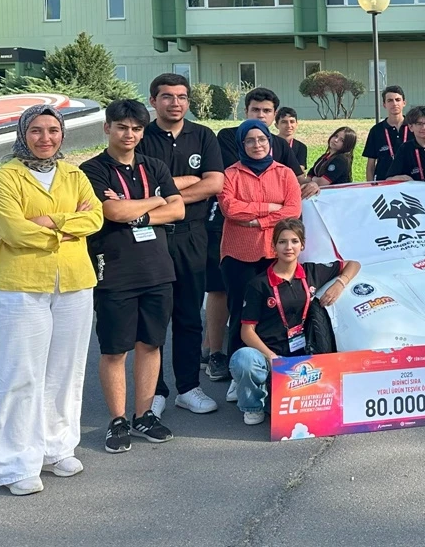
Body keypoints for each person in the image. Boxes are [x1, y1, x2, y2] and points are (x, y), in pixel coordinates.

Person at [0, 105, 103, 495]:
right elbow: (13, 230)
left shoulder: (74, 174)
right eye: (36, 130)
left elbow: (95, 218)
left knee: (66, 371)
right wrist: (68, 225)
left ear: (62, 133)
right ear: (23, 133)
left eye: (53, 130)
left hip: (74, 281)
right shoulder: (6, 176)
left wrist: (49, 221)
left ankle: (56, 447)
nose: (45, 138)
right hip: (21, 284)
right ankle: (15, 464)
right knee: (19, 374)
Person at [82, 99, 186, 453]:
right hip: (115, 271)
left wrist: (139, 212)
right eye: (122, 127)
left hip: (157, 269)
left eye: (137, 129)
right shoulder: (92, 170)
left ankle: (144, 415)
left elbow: (178, 208)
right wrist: (155, 201)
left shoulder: (154, 166)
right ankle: (117, 420)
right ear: (107, 128)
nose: (129, 134)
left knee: (151, 344)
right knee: (115, 350)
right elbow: (112, 210)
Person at [205, 87, 302, 386]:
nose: (257, 145)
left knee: (272, 312)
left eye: (262, 139)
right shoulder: (230, 174)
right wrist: (269, 209)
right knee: (240, 314)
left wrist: (257, 220)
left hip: (274, 254)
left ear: (270, 142)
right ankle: (240, 374)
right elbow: (230, 208)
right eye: (250, 140)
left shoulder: (285, 173)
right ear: (241, 143)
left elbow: (293, 210)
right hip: (239, 254)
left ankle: (272, 371)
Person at [139, 73, 223, 416]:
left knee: (189, 316)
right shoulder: (141, 137)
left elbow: (214, 183)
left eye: (182, 97)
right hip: (152, 236)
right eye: (167, 96)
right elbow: (138, 187)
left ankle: (188, 388)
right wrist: (188, 183)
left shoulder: (203, 135)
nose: (175, 103)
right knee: (154, 317)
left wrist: (166, 195)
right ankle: (154, 392)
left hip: (192, 235)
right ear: (153, 101)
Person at [231, 219, 360, 425]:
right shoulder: (259, 284)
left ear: (302, 245)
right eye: (282, 242)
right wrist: (272, 358)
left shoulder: (311, 272)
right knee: (243, 359)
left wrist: (339, 283)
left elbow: (354, 264)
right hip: (269, 356)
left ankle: (273, 393)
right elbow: (247, 332)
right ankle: (253, 406)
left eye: (294, 241)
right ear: (274, 247)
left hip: (301, 358)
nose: (288, 247)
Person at [389, 106, 425, 184]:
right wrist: (401, 178)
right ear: (410, 127)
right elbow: (390, 178)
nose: (424, 127)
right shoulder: (405, 149)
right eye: (419, 124)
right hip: (416, 191)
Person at [363, 86, 409, 181]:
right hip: (384, 182)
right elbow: (370, 165)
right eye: (390, 101)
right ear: (384, 105)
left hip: (410, 182)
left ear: (404, 103)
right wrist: (371, 186)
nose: (394, 104)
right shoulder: (376, 130)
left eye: (398, 100)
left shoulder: (414, 127)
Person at [301, 127, 357, 198]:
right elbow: (311, 172)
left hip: (337, 197)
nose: (336, 140)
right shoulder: (326, 156)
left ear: (348, 145)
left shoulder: (341, 160)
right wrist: (312, 179)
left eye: (342, 140)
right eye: (336, 136)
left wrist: (313, 179)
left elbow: (322, 182)